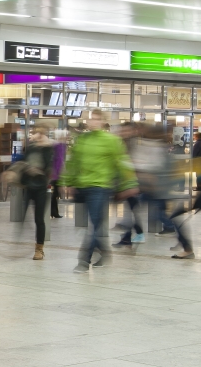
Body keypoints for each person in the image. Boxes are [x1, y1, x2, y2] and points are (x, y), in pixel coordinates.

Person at [61, 110, 138, 273]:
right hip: (84, 186)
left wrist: (129, 184)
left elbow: (123, 163)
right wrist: (68, 183)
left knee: (94, 225)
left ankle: (83, 260)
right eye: (90, 119)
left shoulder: (112, 141)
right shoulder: (81, 140)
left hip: (101, 187)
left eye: (96, 119)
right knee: (97, 225)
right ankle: (105, 254)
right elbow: (73, 163)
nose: (93, 122)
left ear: (103, 122)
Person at [17, 127, 55, 260]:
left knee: (39, 219)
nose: (38, 135)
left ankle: (39, 249)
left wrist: (45, 146)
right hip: (28, 186)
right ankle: (17, 244)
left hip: (41, 188)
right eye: (36, 132)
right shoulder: (30, 148)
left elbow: (48, 166)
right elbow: (22, 162)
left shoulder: (48, 149)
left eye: (41, 133)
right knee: (22, 217)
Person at [50, 134, 65, 219]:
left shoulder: (57, 147)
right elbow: (59, 163)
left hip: (54, 176)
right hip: (54, 177)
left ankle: (54, 212)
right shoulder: (59, 147)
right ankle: (54, 212)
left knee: (54, 195)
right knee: (53, 195)